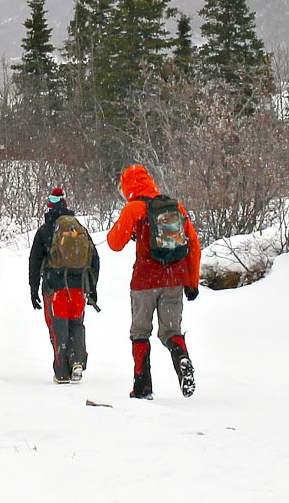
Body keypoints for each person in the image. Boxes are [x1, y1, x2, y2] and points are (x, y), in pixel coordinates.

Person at [106, 165, 202, 400]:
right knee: (171, 330)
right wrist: (192, 282)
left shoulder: (134, 208)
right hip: (174, 279)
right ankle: (181, 359)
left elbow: (113, 243)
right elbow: (194, 245)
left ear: (127, 186)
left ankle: (142, 387)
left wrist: (130, 231)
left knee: (140, 332)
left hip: (145, 280)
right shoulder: (174, 206)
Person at [28, 188, 101, 384]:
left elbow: (34, 262)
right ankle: (77, 361)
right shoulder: (78, 229)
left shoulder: (45, 231)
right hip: (78, 289)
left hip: (55, 288)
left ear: (49, 206)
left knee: (58, 328)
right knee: (76, 325)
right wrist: (92, 287)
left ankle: (61, 372)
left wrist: (33, 288)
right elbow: (95, 259)